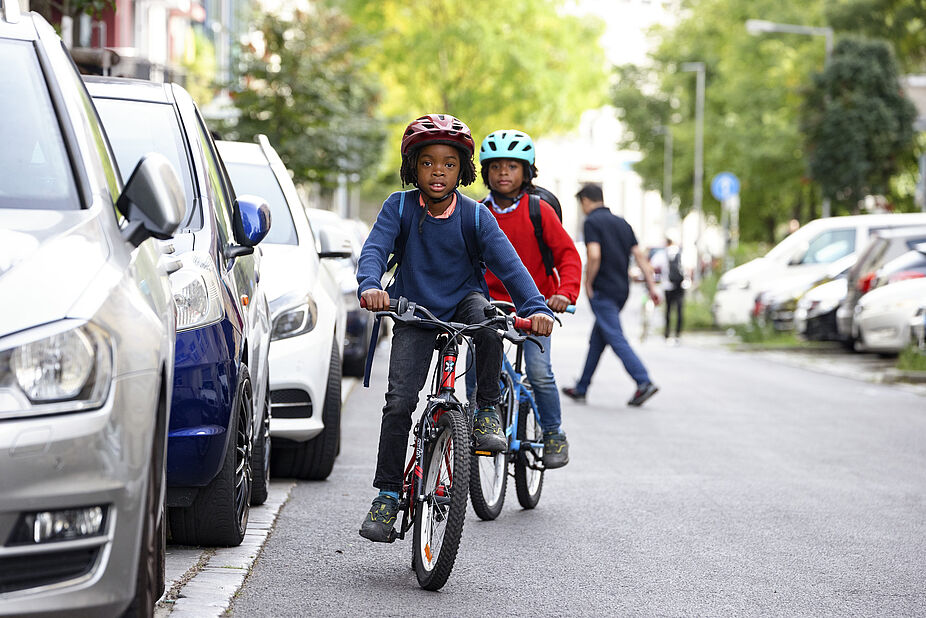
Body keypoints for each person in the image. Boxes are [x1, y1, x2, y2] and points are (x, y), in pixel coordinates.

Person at [355, 114, 554, 542]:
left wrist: (536, 307)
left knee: (489, 319)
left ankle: (485, 410)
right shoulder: (399, 206)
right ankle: (388, 494)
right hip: (413, 310)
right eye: (427, 163)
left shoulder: (476, 217)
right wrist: (371, 285)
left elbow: (512, 268)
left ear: (463, 169)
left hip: (464, 303)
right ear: (413, 168)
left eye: (448, 163)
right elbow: (374, 250)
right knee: (398, 405)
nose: (438, 171)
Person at [474, 129, 582, 469]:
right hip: (488, 306)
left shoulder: (539, 211)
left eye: (512, 166)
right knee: (476, 371)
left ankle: (553, 432)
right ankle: (482, 421)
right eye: (495, 167)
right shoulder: (475, 212)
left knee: (539, 372)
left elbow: (568, 255)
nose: (503, 173)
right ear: (485, 173)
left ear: (527, 172)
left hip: (536, 306)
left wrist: (564, 293)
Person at [562, 183, 660, 407]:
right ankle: (582, 387)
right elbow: (640, 257)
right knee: (599, 337)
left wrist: (588, 282)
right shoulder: (622, 223)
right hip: (621, 290)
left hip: (603, 288)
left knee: (614, 336)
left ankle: (643, 381)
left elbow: (594, 255)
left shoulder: (592, 222)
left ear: (585, 201)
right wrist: (652, 287)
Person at [650, 237, 685, 342]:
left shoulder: (662, 254)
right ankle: (678, 334)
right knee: (679, 310)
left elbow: (652, 266)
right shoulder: (681, 252)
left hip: (667, 285)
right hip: (680, 285)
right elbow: (688, 268)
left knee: (668, 310)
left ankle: (667, 333)